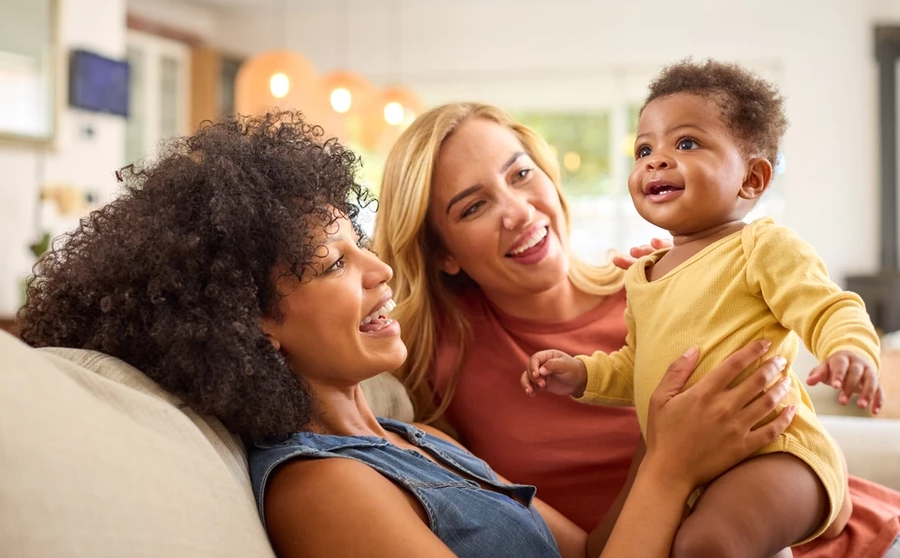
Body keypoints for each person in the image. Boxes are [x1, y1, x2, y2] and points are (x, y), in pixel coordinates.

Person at [15, 111, 796, 558]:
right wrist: (670, 464)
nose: (380, 271)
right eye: (333, 263)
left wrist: (666, 434)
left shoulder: (408, 435)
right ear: (247, 317)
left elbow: (592, 553)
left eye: (362, 246)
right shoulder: (319, 486)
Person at [373, 100, 900, 557]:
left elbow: (816, 456)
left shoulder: (660, 279)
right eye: (474, 206)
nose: (518, 211)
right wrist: (667, 454)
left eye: (520, 174)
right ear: (443, 254)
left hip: (850, 535)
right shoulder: (441, 372)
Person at [521, 59, 883, 557]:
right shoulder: (642, 275)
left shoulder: (760, 246)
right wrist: (582, 375)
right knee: (627, 545)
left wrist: (850, 349)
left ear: (752, 179)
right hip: (693, 466)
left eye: (685, 143)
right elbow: (638, 365)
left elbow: (828, 307)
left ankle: (824, 484)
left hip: (772, 451)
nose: (655, 160)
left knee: (706, 545)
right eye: (644, 149)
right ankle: (829, 506)